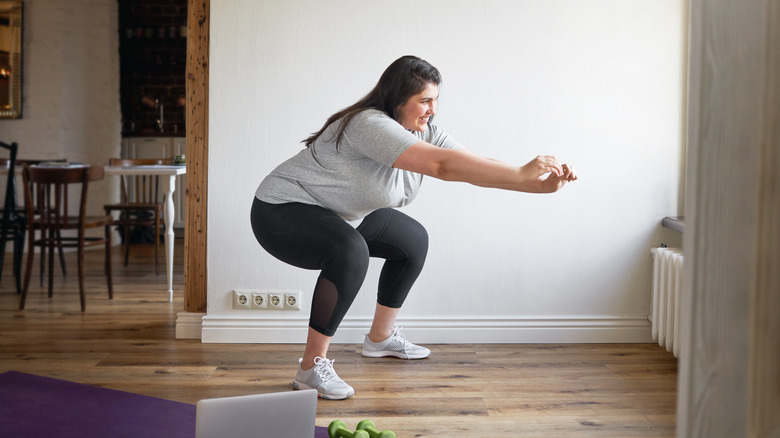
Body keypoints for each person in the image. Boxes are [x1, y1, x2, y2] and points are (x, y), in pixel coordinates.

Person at [250, 55, 578, 400]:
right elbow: (442, 166)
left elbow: (473, 165)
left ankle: (380, 339)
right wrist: (522, 175)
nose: (432, 109)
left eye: (435, 100)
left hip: (340, 213)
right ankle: (310, 369)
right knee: (349, 250)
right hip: (282, 211)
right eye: (424, 101)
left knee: (412, 240)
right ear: (397, 100)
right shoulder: (370, 124)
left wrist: (535, 185)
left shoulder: (425, 131)